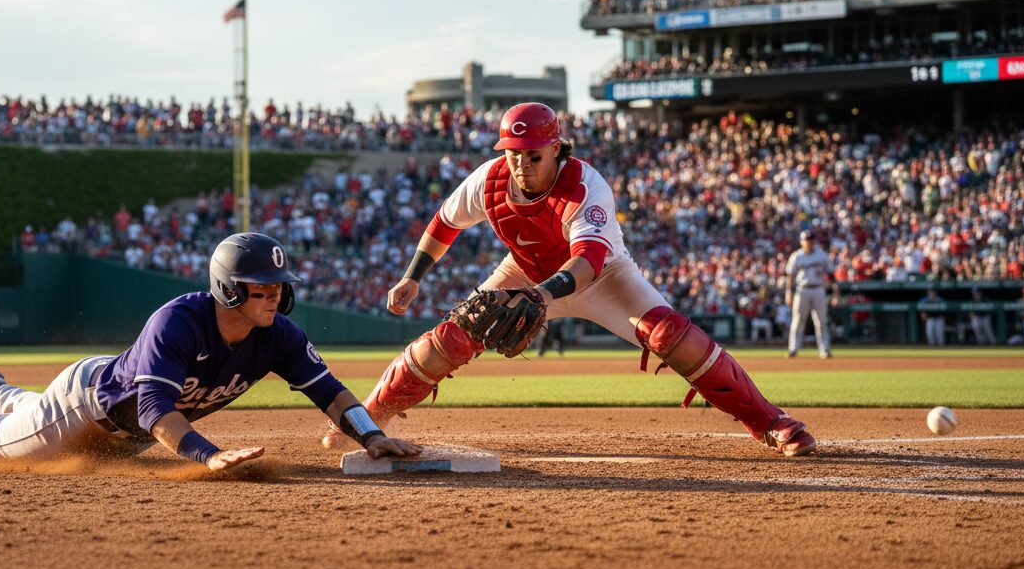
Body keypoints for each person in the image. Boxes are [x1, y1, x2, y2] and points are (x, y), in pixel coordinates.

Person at [326, 103, 816, 457]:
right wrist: (412, 277)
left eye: (533, 154)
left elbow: (590, 259)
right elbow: (445, 223)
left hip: (603, 278)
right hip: (526, 271)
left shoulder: (585, 185)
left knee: (668, 334)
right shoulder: (490, 179)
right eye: (513, 153)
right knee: (452, 336)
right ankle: (366, 420)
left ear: (556, 148)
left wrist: (539, 295)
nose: (521, 163)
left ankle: (771, 422)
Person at [0, 233, 421, 470]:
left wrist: (370, 434)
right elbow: (154, 412)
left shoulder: (279, 335)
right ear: (228, 289)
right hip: (87, 406)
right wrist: (207, 456)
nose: (274, 295)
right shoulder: (179, 322)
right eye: (261, 287)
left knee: (26, 418)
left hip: (126, 425)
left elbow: (330, 392)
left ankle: (1, 393)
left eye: (278, 286)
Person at [785, 231, 833, 359]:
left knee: (821, 320)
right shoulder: (797, 256)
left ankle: (824, 349)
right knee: (798, 320)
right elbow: (790, 276)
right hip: (802, 290)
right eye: (806, 240)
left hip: (818, 289)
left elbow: (831, 273)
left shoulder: (821, 255)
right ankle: (793, 349)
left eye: (810, 240)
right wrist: (788, 293)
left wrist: (836, 291)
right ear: (802, 242)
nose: (809, 242)